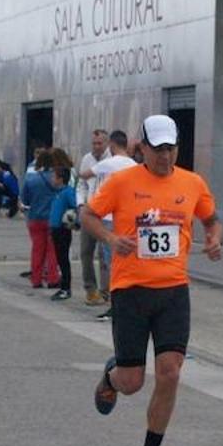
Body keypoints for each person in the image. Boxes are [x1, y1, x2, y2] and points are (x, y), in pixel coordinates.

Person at [82, 114, 223, 446]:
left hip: (174, 292)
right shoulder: (123, 181)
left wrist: (213, 239)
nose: (165, 156)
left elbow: (212, 219)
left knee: (170, 373)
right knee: (131, 382)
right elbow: (89, 214)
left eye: (171, 148)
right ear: (141, 148)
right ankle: (111, 376)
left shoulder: (192, 183)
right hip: (130, 291)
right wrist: (111, 240)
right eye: (157, 149)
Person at [86, 130, 137, 320]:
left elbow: (84, 174)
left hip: (108, 217)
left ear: (113, 145)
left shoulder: (108, 163)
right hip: (127, 218)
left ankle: (115, 305)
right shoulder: (134, 165)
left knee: (111, 262)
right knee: (124, 262)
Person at [77, 130, 110, 305]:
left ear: (107, 143)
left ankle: (106, 291)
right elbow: (81, 183)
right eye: (94, 143)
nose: (96, 147)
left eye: (99, 143)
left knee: (105, 255)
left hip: (106, 215)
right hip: (89, 212)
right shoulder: (86, 159)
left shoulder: (112, 161)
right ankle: (90, 289)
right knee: (85, 252)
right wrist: (80, 204)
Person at [21, 149, 60, 288]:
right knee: (52, 251)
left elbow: (25, 199)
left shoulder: (31, 179)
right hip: (53, 219)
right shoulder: (57, 179)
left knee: (37, 250)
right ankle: (52, 279)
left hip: (35, 218)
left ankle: (36, 280)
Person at [49, 165, 78, 300]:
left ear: (61, 179)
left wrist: (72, 220)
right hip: (55, 229)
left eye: (54, 176)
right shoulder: (58, 192)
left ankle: (66, 288)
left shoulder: (68, 192)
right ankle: (63, 285)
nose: (52, 179)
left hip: (63, 229)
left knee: (63, 258)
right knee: (60, 259)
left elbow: (75, 206)